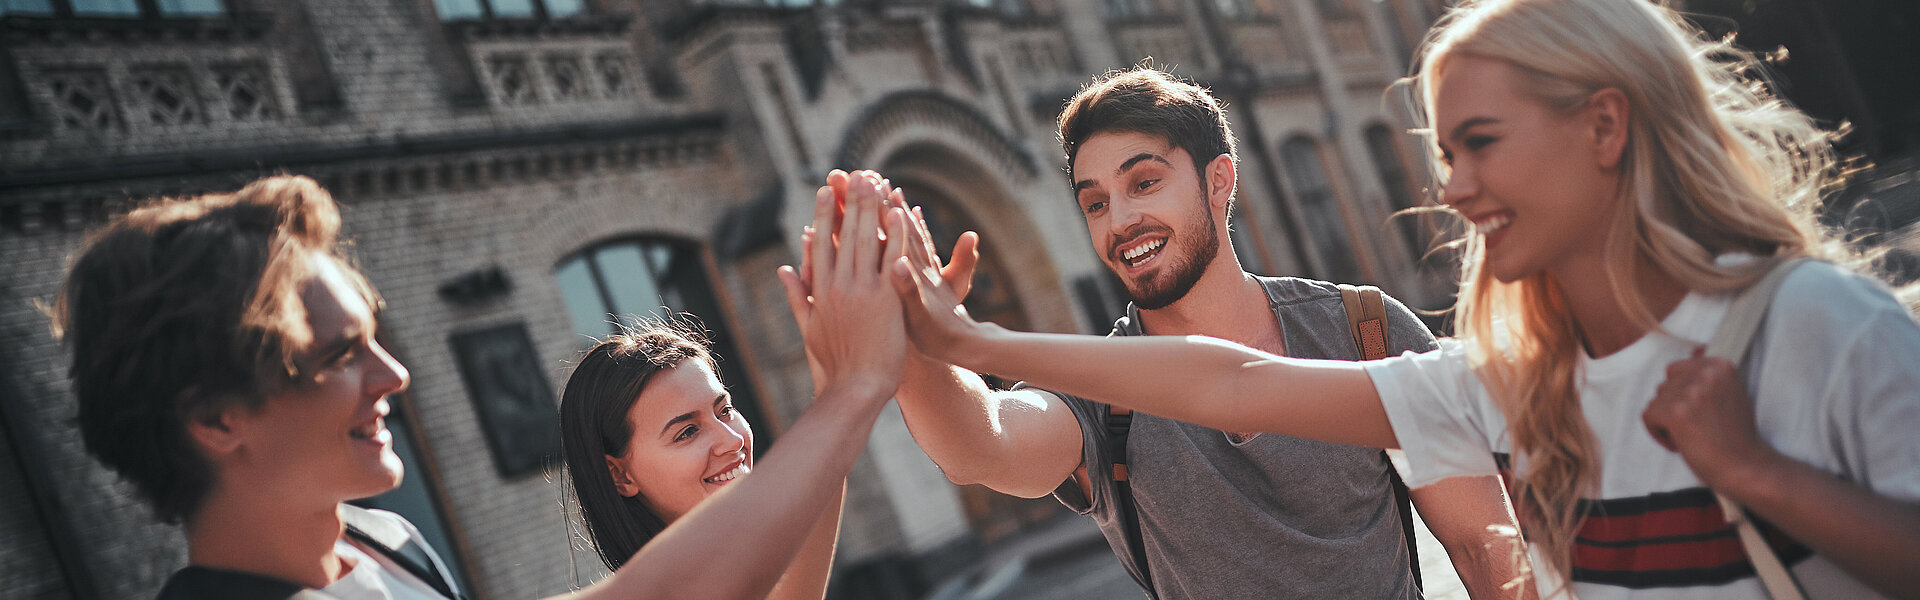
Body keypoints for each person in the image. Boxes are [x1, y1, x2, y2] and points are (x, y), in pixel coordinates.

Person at [883, 0, 1920, 598]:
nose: (1453, 188)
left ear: (1606, 127)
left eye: (1479, 145)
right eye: (1094, 200)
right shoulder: (1507, 381)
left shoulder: (1816, 325)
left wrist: (1754, 473)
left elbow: (1482, 550)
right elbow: (1227, 386)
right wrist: (950, 339)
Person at [53, 172, 910, 599]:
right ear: (215, 418)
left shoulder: (386, 541)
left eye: (376, 340)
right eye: (338, 356)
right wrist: (854, 388)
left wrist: (843, 383)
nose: (391, 375)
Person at [855, 68, 1528, 599]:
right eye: (1095, 203)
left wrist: (972, 339)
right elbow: (980, 447)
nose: (1118, 220)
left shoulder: (1364, 328)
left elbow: (1482, 545)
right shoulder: (1103, 398)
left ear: (1218, 181)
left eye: (1143, 182)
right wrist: (913, 336)